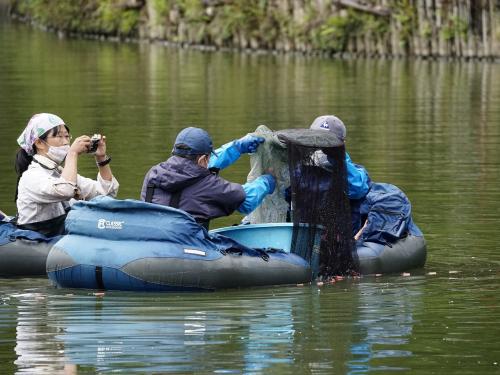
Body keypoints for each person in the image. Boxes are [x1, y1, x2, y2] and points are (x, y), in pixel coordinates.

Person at [309, 114, 422, 243]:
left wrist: (336, 157)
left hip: (346, 231)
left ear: (342, 144)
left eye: (327, 142)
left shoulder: (355, 171)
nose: (321, 147)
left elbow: (357, 190)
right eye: (317, 140)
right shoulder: (302, 168)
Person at [140, 127, 275, 229]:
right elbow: (246, 201)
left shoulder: (153, 174)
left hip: (151, 243)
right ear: (203, 159)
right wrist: (267, 182)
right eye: (209, 157)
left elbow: (191, 169)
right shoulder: (209, 186)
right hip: (187, 250)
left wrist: (236, 148)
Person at [15, 113, 119, 236]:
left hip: (58, 239)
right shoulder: (31, 177)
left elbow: (106, 194)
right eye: (59, 136)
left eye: (67, 136)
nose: (66, 142)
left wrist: (101, 158)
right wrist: (72, 153)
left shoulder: (58, 172)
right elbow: (66, 190)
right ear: (39, 143)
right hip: (35, 240)